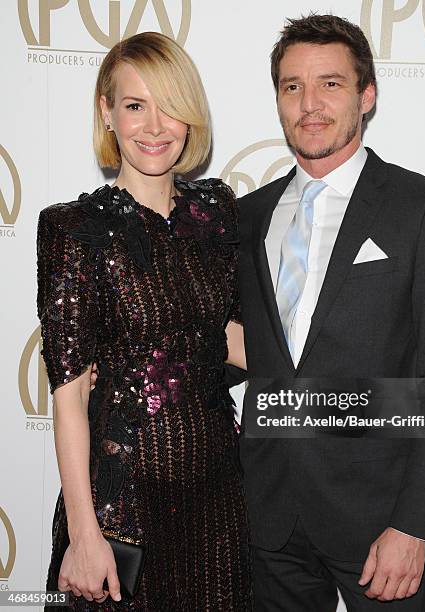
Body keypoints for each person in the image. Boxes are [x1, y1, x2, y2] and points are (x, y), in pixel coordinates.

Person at [232, 14, 425, 611]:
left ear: (367, 96)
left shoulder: (424, 208)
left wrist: (416, 526)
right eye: (292, 87)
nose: (309, 104)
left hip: (381, 524)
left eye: (331, 84)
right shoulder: (245, 217)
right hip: (270, 520)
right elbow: (248, 353)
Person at [37, 31, 251, 611]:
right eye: (135, 105)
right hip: (121, 504)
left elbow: (235, 342)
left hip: (218, 501)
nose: (155, 126)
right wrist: (84, 532)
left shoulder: (219, 214)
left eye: (170, 106)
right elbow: (70, 395)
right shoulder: (73, 229)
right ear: (107, 113)